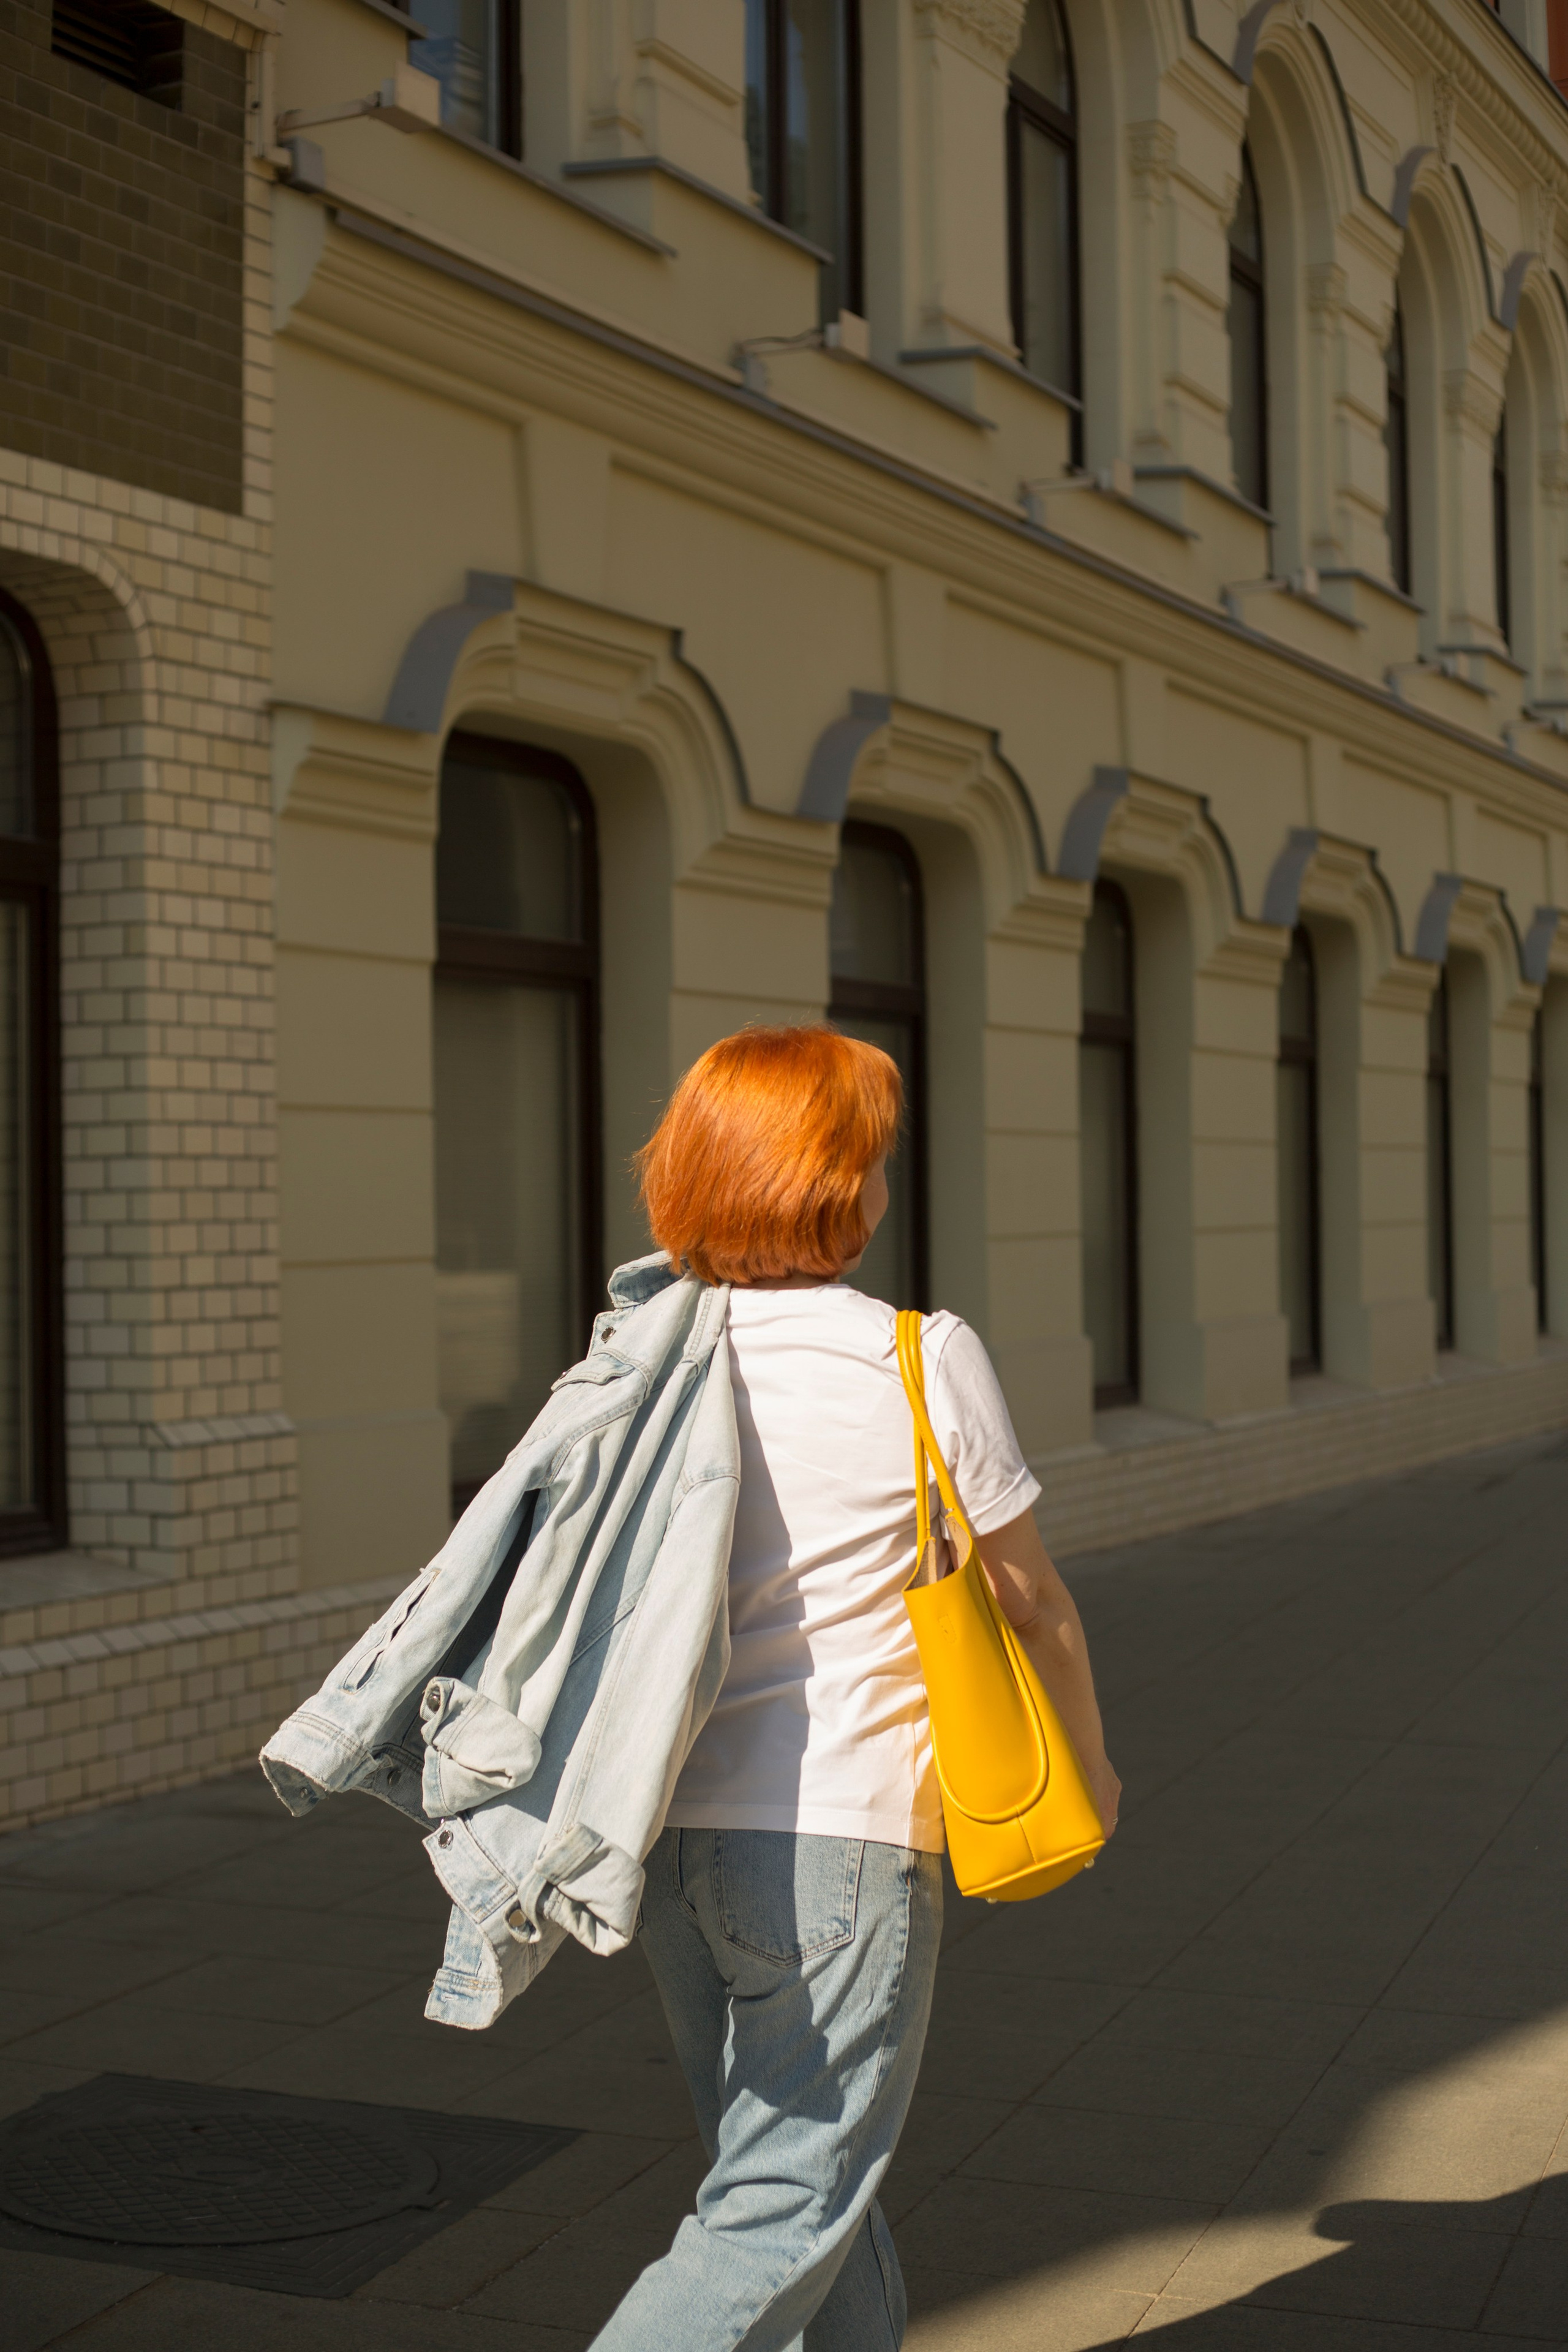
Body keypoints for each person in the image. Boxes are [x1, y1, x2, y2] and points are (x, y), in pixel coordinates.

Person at [591, 1024, 1120, 2352]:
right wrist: (1090, 1761)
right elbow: (1029, 1597)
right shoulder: (914, 1354)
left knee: (799, 2182)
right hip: (839, 1839)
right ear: (831, 1182)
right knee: (780, 2208)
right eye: (874, 1156)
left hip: (665, 1838)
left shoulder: (646, 1357)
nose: (886, 1179)